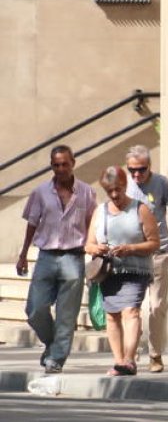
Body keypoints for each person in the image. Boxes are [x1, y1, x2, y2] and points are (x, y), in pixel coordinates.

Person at [18, 146, 96, 374]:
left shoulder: (87, 192)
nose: (61, 169)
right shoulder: (41, 192)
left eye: (65, 164)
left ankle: (56, 359)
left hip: (74, 256)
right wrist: (23, 254)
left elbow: (92, 222)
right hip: (47, 256)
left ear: (73, 162)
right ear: (51, 166)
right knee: (34, 309)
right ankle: (53, 345)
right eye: (56, 164)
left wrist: (94, 249)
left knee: (66, 314)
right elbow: (32, 223)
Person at [85, 166, 160, 376]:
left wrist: (131, 249)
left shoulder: (140, 209)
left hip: (136, 270)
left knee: (131, 311)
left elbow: (154, 242)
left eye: (118, 189)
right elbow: (88, 244)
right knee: (112, 315)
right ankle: (118, 361)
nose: (115, 195)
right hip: (109, 271)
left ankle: (129, 360)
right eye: (110, 191)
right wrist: (96, 248)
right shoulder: (100, 212)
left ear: (125, 185)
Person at [124, 145, 168, 373]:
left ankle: (155, 354)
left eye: (141, 170)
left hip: (158, 252)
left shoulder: (162, 184)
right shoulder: (124, 184)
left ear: (150, 167)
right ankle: (130, 353)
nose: (136, 175)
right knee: (131, 307)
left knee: (156, 305)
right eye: (132, 170)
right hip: (131, 253)